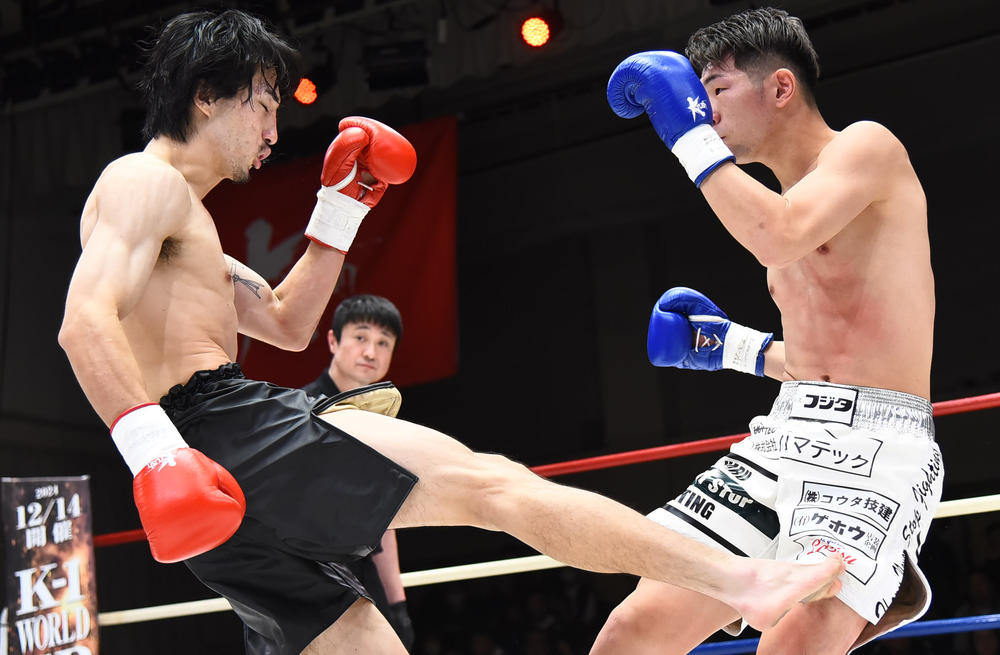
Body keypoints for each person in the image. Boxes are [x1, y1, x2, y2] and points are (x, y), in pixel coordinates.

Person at [57, 8, 844, 655]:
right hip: (217, 430)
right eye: (263, 102)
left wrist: (341, 207)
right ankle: (738, 579)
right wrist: (155, 455)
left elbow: (290, 324)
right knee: (491, 484)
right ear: (207, 95)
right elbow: (82, 322)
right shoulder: (143, 181)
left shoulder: (190, 224)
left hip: (214, 484)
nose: (273, 125)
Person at [594, 7, 942, 654]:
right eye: (696, 97)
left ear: (781, 87)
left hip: (875, 447)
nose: (704, 111)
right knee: (632, 631)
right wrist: (732, 347)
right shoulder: (783, 211)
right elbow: (821, 362)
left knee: (790, 646)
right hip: (786, 431)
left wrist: (685, 137)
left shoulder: (866, 148)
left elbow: (777, 234)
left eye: (716, 90)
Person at [301, 294, 414, 650]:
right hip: (304, 578)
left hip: (360, 572)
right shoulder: (299, 413)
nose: (370, 352)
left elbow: (386, 518)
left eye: (383, 343)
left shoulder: (382, 420)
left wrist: (398, 603)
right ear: (333, 340)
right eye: (361, 337)